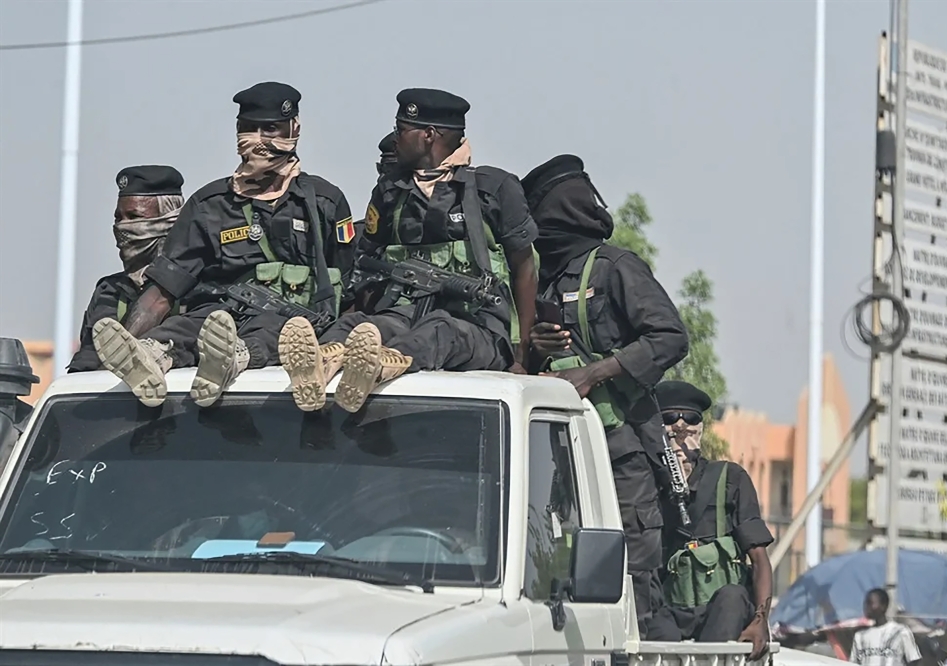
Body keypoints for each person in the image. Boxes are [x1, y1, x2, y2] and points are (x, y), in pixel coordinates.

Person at [93, 81, 355, 408]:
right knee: (185, 326)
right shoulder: (209, 205)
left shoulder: (324, 202)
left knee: (275, 328)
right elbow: (162, 292)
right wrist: (126, 348)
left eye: (271, 129)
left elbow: (349, 286)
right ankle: (151, 358)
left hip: (293, 328)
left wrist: (339, 348)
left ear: (294, 129)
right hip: (218, 317)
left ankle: (231, 359)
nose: (259, 140)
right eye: (249, 129)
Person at [277, 88, 537, 413]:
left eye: (402, 130)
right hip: (404, 311)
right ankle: (321, 366)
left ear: (429, 135)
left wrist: (521, 353)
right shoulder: (392, 191)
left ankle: (377, 366)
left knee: (440, 330)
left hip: (478, 325)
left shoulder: (493, 189)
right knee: (359, 325)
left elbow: (524, 268)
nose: (395, 138)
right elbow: (367, 265)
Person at [520, 153, 689, 639]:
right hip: (557, 455)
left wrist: (596, 372)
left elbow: (670, 336)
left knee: (630, 569)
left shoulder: (615, 267)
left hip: (620, 450)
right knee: (559, 565)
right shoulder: (543, 276)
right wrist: (537, 348)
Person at [648, 380, 773, 660]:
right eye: (670, 421)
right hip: (674, 607)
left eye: (689, 422)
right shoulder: (650, 484)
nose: (680, 431)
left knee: (731, 598)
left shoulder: (730, 478)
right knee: (653, 634)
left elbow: (760, 558)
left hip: (721, 606)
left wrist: (760, 620)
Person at [68, 165, 185, 373]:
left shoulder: (197, 287)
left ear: (169, 221)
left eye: (134, 217)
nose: (123, 227)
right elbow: (87, 363)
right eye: (118, 218)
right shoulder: (109, 290)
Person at [850, 588, 922, 666]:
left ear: (883, 606)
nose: (866, 607)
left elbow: (913, 660)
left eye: (870, 603)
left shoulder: (900, 632)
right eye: (865, 604)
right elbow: (853, 663)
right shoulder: (860, 636)